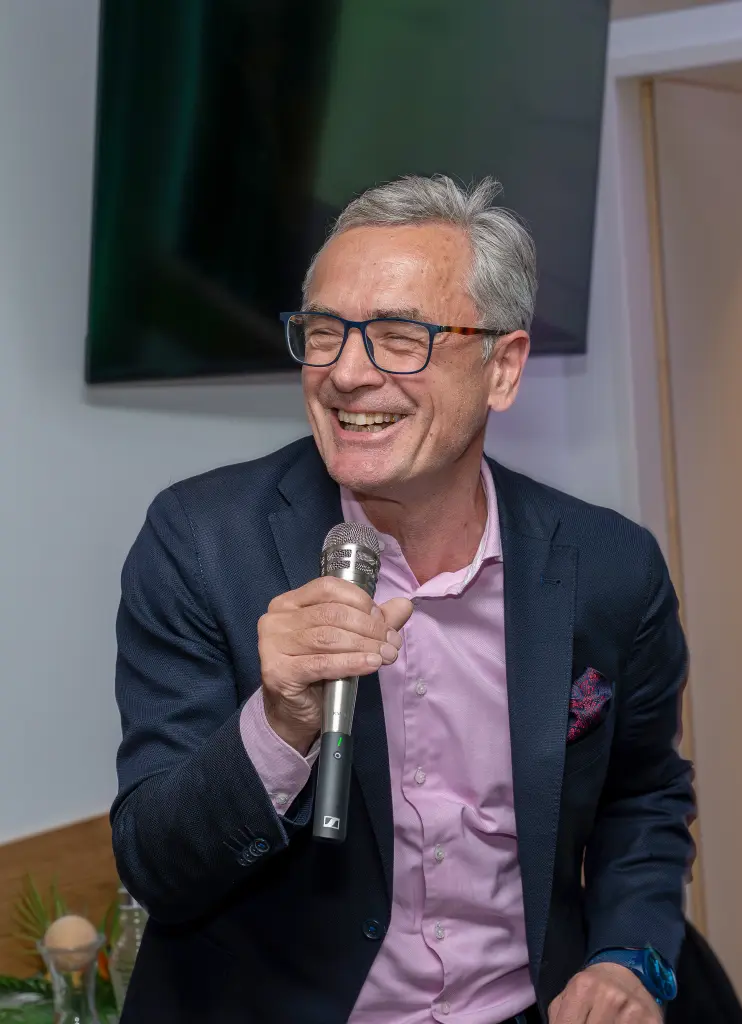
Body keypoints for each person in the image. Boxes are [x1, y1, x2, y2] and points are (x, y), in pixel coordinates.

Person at [112, 175, 695, 1024]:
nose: (346, 374)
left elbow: (643, 797)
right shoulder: (201, 543)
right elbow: (155, 865)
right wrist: (278, 724)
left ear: (503, 368)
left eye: (398, 337)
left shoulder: (609, 566)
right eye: (323, 334)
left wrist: (628, 959)